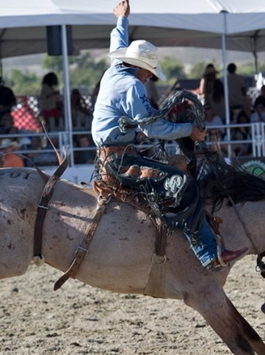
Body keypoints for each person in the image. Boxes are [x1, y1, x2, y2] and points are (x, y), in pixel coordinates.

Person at [91, 0, 247, 270]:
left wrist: (122, 19)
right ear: (140, 68)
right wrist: (190, 130)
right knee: (181, 183)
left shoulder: (114, 70)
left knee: (173, 172)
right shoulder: (132, 86)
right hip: (120, 162)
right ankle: (208, 253)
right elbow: (152, 129)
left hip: (114, 154)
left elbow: (117, 42)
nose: (149, 78)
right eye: (150, 73)